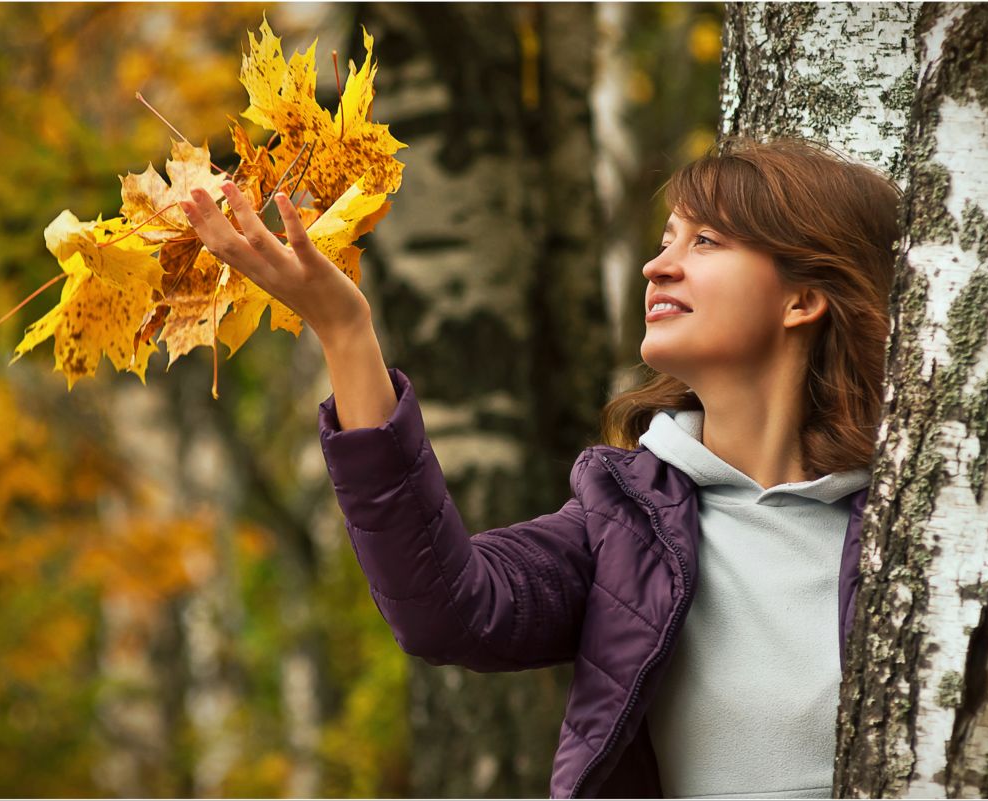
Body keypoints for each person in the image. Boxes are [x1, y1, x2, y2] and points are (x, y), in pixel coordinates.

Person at [180, 135, 900, 799]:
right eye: (664, 239)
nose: (658, 265)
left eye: (706, 240)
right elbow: (446, 609)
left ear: (804, 298)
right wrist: (345, 332)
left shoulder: (918, 526)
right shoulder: (624, 521)